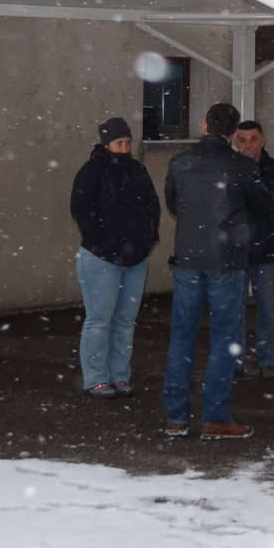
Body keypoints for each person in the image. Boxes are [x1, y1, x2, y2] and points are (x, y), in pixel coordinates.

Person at [160, 101, 273, 439]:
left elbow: (173, 204)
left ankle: (176, 418)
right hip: (226, 262)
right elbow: (264, 205)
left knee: (181, 338)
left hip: (188, 261)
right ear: (233, 133)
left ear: (205, 126)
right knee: (224, 341)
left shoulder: (179, 162)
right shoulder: (241, 166)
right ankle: (215, 418)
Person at [69, 116, 161, 398]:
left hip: (134, 260)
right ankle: (96, 378)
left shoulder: (137, 171)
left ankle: (120, 376)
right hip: (101, 259)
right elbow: (81, 210)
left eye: (127, 143)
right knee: (99, 320)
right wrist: (105, 243)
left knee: (125, 322)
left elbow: (152, 208)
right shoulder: (91, 171)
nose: (124, 148)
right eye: (119, 143)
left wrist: (146, 240)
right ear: (106, 143)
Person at [231, 119, 274, 379]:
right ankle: (236, 363)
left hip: (266, 251)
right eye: (242, 140)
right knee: (234, 309)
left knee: (267, 309)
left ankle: (267, 361)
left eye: (253, 139)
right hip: (236, 252)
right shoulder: (229, 169)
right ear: (235, 141)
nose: (248, 145)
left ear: (263, 140)